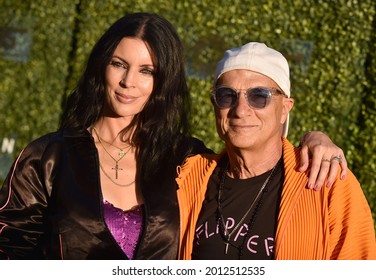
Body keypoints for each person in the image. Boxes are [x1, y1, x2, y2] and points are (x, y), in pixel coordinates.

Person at [0, 13, 347, 260]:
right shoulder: (46, 158)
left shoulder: (186, 158)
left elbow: (253, 150)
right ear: (101, 67)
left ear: (161, 82)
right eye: (119, 64)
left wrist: (316, 139)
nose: (128, 82)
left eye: (146, 70)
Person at [177, 42, 376, 260]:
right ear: (214, 104)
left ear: (285, 108)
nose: (241, 110)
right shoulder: (188, 177)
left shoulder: (328, 182)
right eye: (227, 95)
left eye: (259, 96)